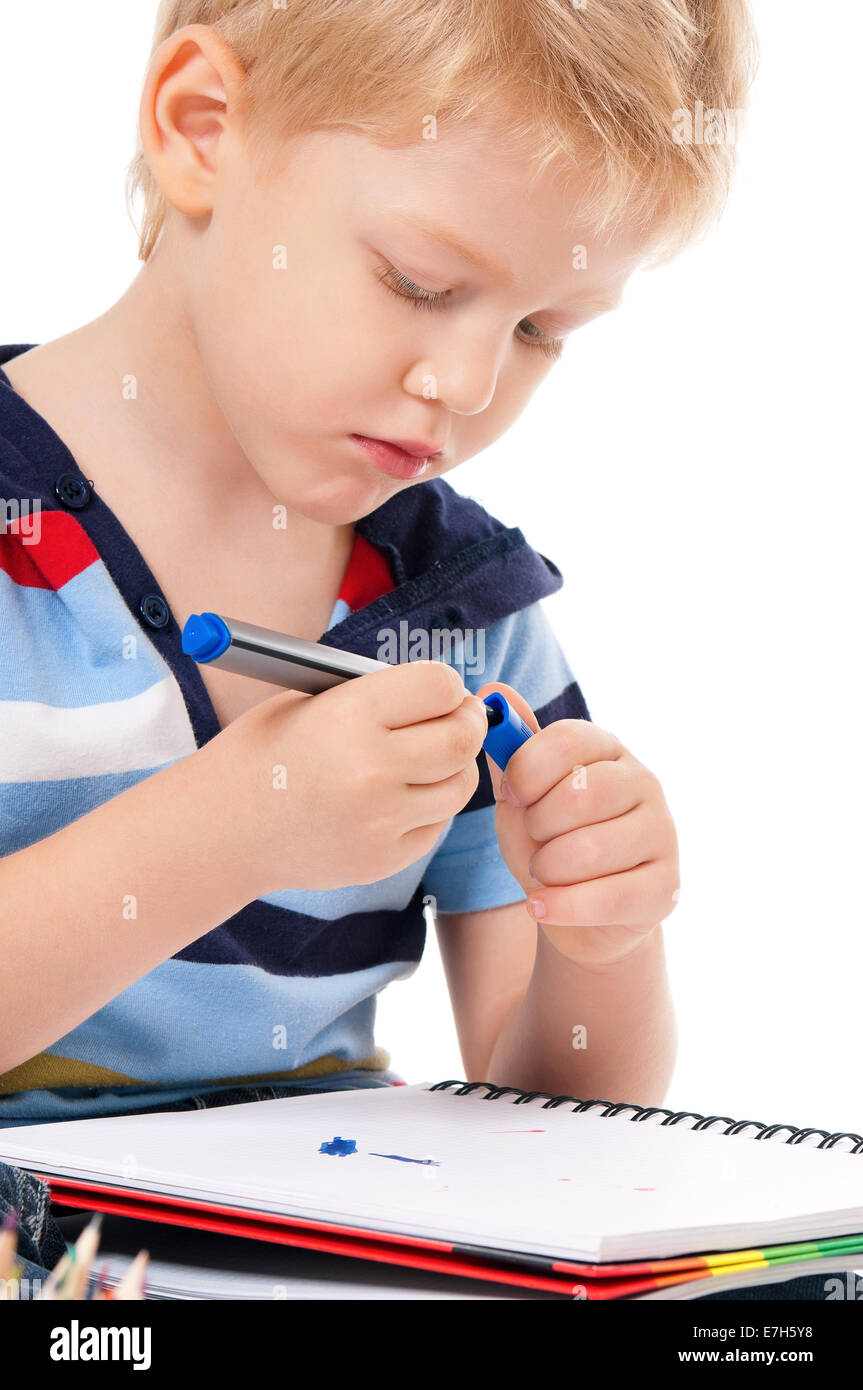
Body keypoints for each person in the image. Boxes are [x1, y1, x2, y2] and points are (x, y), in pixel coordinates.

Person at [2, 0, 820, 1301]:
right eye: (423, 285)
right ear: (202, 129)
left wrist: (597, 940)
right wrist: (233, 826)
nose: (471, 382)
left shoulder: (463, 599)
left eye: (542, 330)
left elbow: (549, 1125)